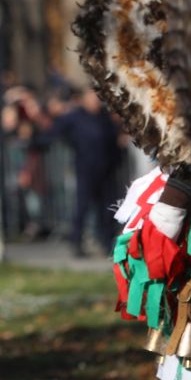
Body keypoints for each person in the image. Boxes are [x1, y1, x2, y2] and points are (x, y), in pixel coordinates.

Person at [32, 88, 123, 256]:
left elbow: (114, 142)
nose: (95, 101)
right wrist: (36, 142)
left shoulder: (104, 119)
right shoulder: (74, 117)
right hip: (85, 169)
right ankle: (77, 242)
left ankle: (107, 242)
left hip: (106, 170)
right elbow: (53, 133)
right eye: (92, 97)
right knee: (82, 207)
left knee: (107, 209)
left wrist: (117, 160)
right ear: (84, 99)